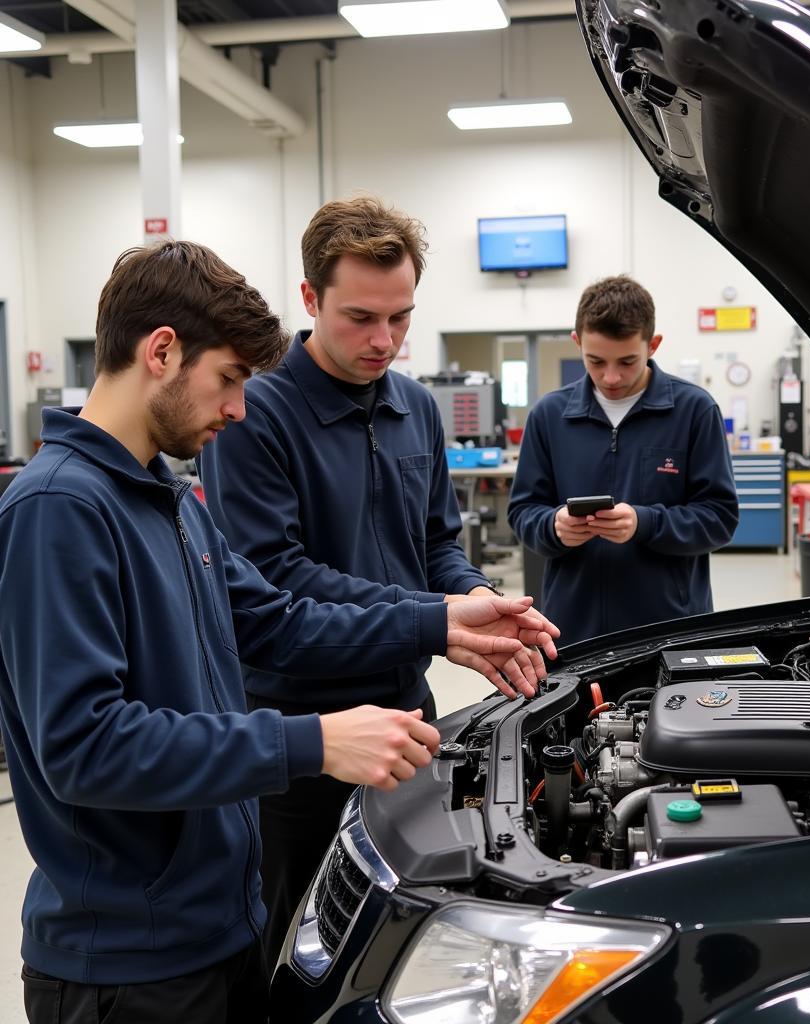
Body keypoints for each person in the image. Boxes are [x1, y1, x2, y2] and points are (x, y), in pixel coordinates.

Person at [0, 240, 555, 1024]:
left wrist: (438, 619)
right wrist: (314, 742)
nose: (237, 408)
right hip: (126, 966)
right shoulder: (59, 509)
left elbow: (277, 621)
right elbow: (86, 748)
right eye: (227, 380)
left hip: (222, 926)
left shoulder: (171, 497)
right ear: (161, 351)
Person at [200, 195, 560, 963]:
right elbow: (279, 582)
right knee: (291, 946)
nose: (385, 340)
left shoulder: (415, 407)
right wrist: (438, 618)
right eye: (360, 317)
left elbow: (437, 544)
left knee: (398, 942)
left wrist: (474, 602)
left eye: (401, 318)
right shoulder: (254, 415)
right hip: (300, 738)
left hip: (408, 716)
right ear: (309, 299)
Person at [508, 274, 739, 647]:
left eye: (627, 361)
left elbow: (719, 518)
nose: (610, 377)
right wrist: (554, 527)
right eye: (595, 361)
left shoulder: (694, 411)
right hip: (571, 631)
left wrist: (644, 523)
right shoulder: (549, 416)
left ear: (653, 345)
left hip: (670, 630)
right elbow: (522, 513)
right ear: (577, 342)